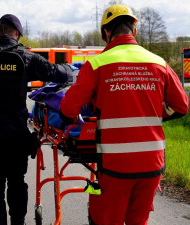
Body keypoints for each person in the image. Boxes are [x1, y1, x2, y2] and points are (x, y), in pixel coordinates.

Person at [59, 4, 189, 225]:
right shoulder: (159, 62)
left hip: (115, 165)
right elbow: (182, 106)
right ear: (134, 30)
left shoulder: (97, 64)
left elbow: (68, 108)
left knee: (109, 220)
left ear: (105, 33)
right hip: (152, 163)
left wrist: (75, 119)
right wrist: (157, 114)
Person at [0, 14, 72, 225]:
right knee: (17, 183)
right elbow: (58, 75)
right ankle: (18, 222)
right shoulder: (26, 56)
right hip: (16, 136)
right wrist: (68, 68)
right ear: (17, 34)